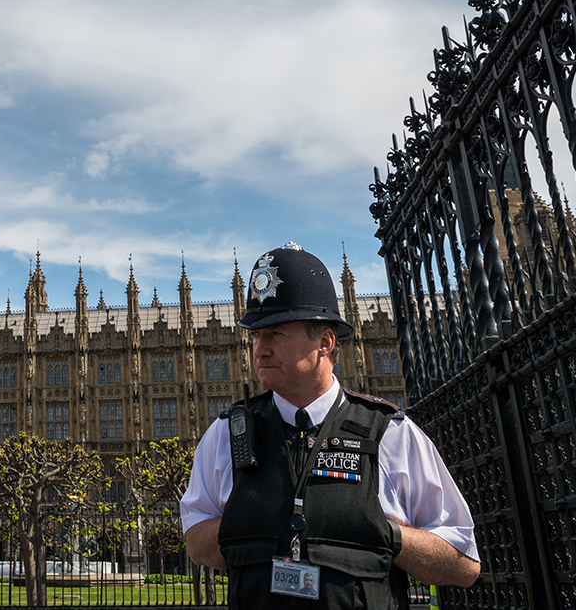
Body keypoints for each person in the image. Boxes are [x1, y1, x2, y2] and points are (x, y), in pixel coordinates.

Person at [180, 243, 480, 608]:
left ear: (325, 342)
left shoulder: (390, 434)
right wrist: (243, 526)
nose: (260, 349)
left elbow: (463, 565)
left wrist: (383, 533)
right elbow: (195, 542)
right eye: (255, 336)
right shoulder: (227, 436)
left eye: (276, 333)